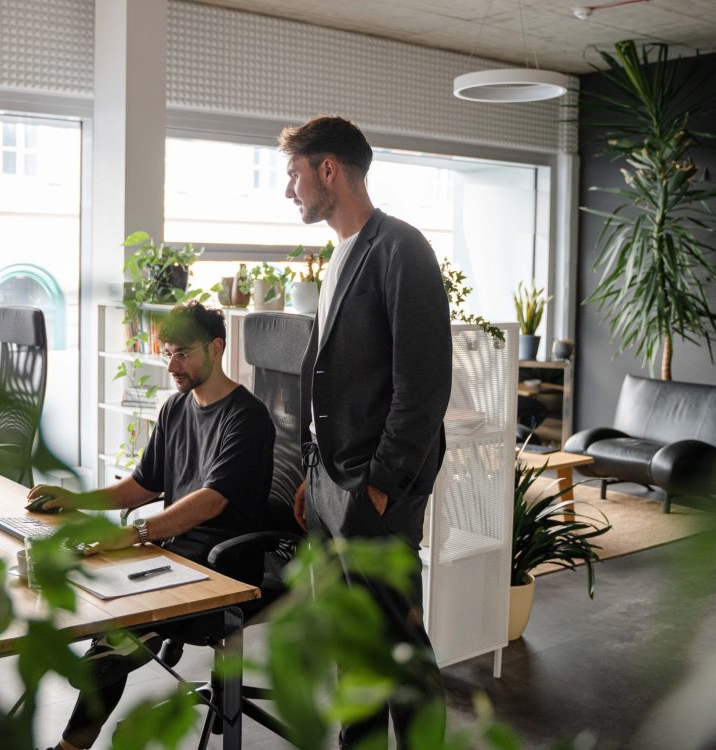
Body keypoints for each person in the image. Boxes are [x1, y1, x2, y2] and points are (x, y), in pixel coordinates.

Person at [27, 301, 275, 750]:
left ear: (216, 348)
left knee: (121, 621)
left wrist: (137, 533)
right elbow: (144, 484)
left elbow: (211, 500)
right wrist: (76, 499)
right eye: (167, 353)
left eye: (183, 353)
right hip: (174, 554)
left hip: (224, 568)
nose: (172, 365)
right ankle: (109, 662)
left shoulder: (247, 417)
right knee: (106, 591)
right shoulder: (176, 407)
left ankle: (76, 733)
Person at [280, 115, 452, 748]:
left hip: (374, 490)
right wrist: (311, 471)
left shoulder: (400, 248)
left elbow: (424, 384)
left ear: (329, 170)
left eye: (294, 174)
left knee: (399, 650)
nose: (289, 189)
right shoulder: (338, 257)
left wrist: (379, 485)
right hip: (330, 484)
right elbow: (329, 376)